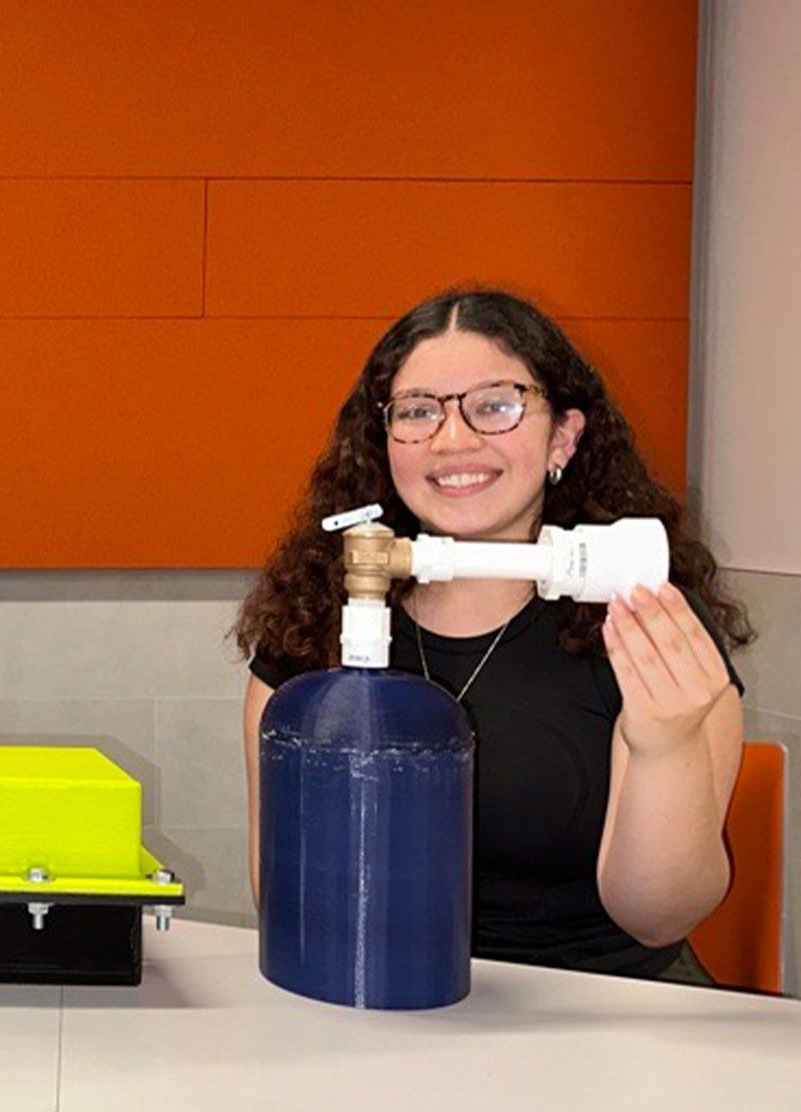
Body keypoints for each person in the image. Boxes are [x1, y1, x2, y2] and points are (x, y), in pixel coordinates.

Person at [234, 288, 754, 981]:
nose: (453, 439)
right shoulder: (312, 621)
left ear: (563, 436)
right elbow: (283, 892)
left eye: (496, 405)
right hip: (370, 986)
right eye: (418, 411)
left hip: (599, 1003)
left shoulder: (646, 623)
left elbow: (658, 918)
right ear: (384, 440)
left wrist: (667, 748)